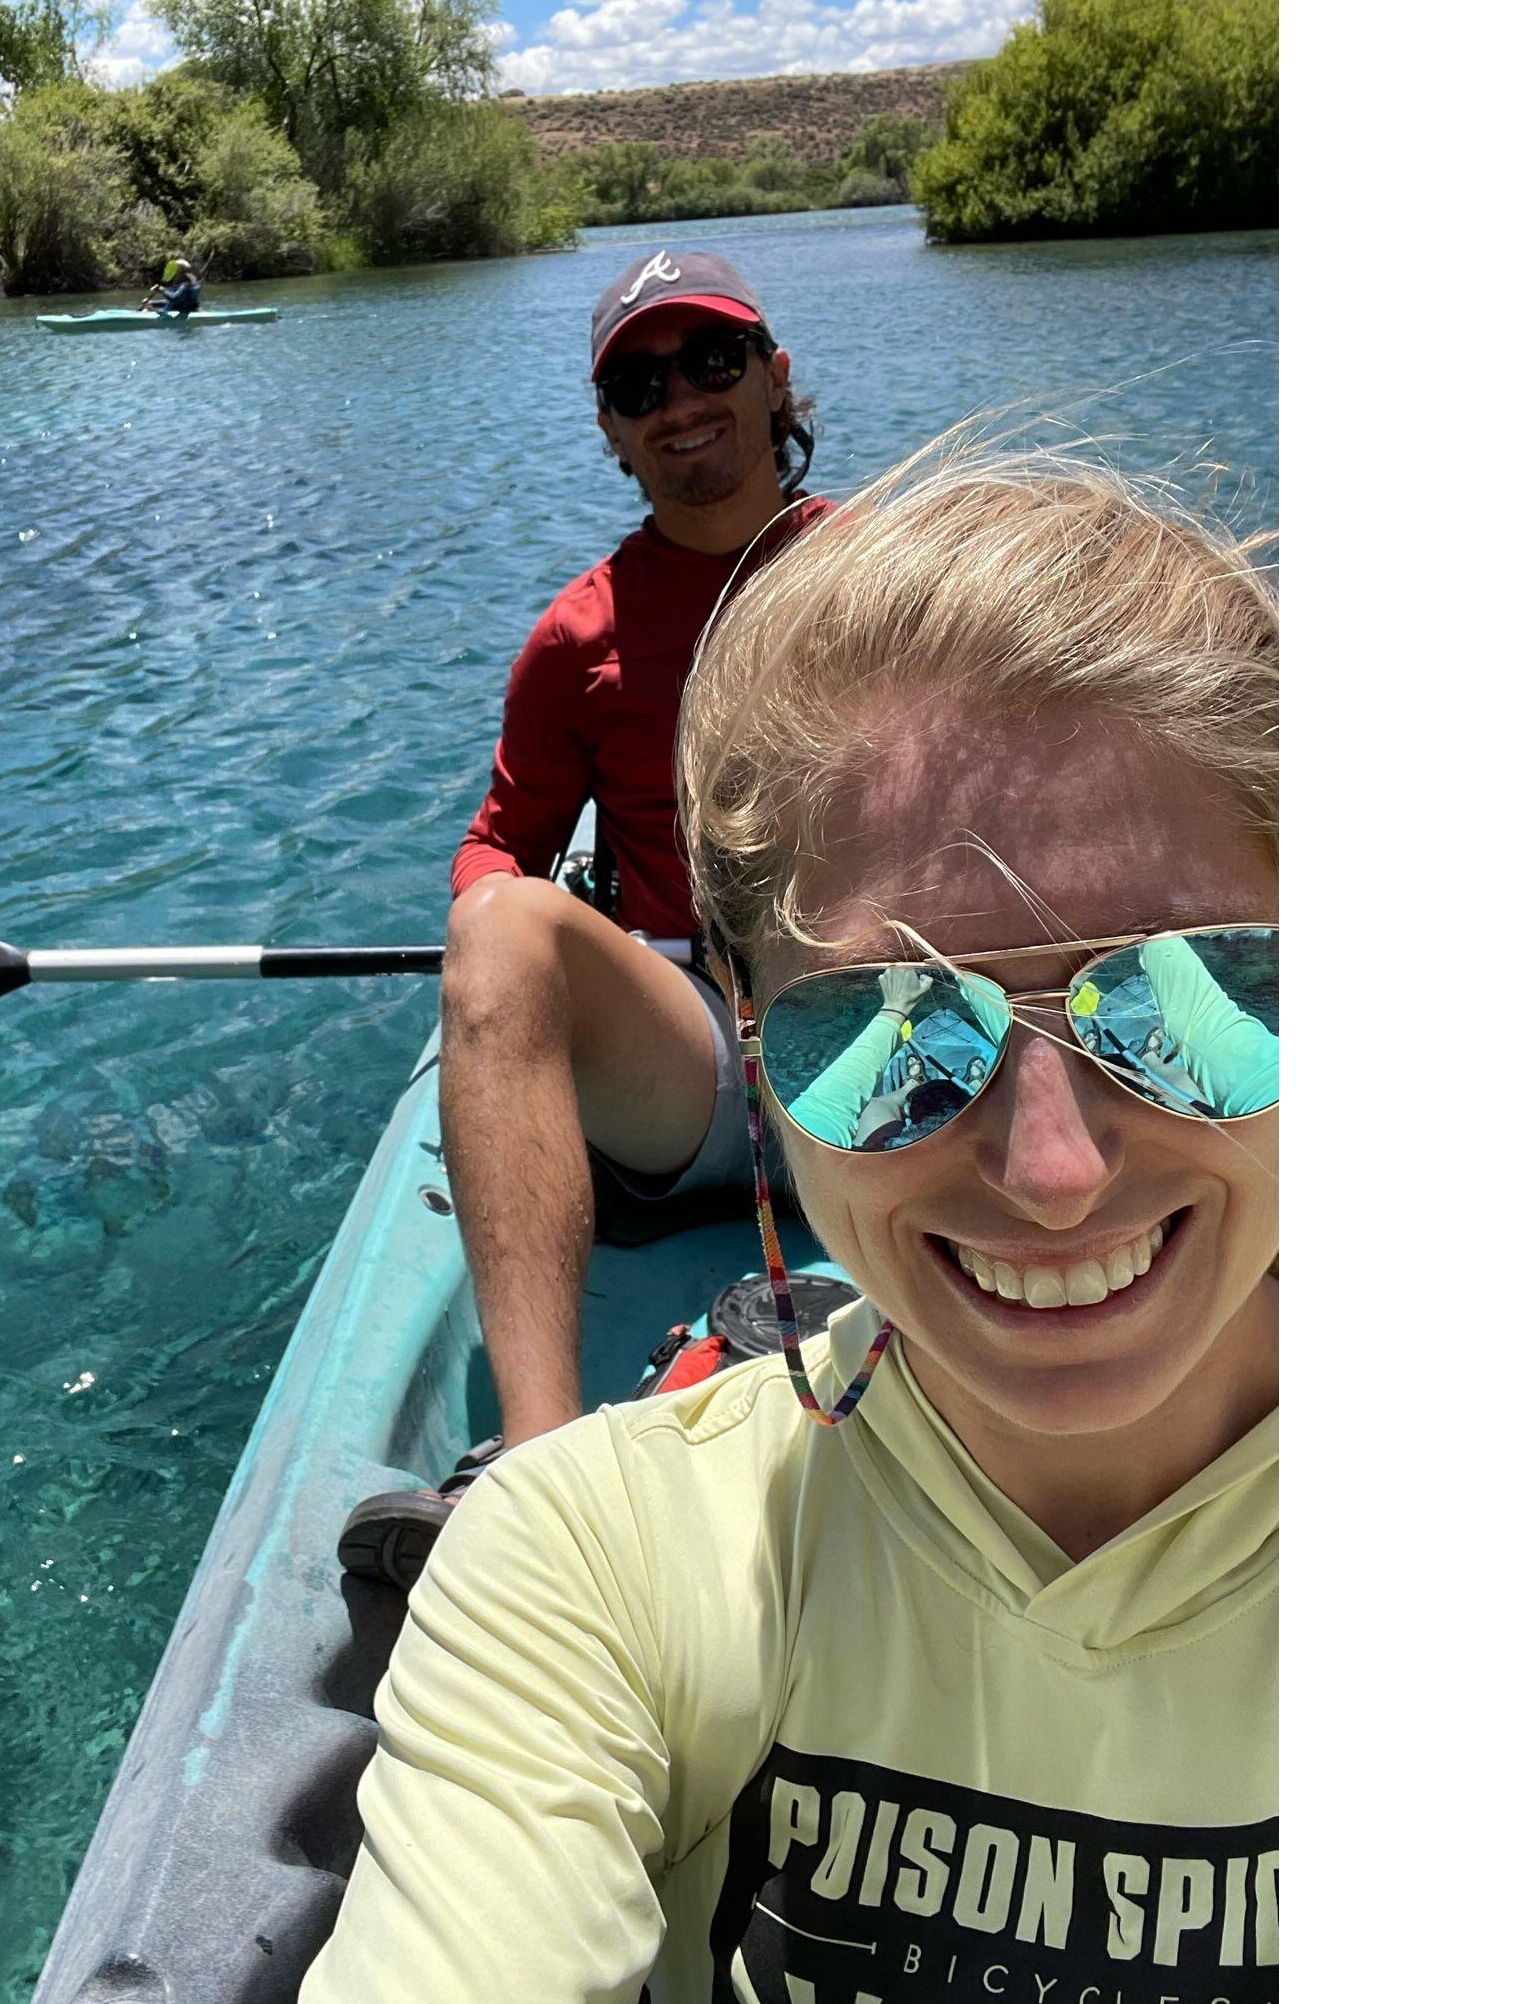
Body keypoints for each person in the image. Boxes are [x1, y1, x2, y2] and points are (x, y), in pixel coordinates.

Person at [303, 443, 1280, 1999]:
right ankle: (529, 1442)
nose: (1055, 1170)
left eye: (1185, 990)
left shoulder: (853, 564)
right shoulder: (591, 1570)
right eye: (893, 1015)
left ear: (772, 389)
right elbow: (500, 848)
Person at [338, 249, 824, 1587]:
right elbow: (498, 846)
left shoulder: (894, 574)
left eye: (711, 361)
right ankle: (540, 1477)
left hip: (898, 1043)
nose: (681, 401)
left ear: (775, 378)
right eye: (639, 384)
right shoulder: (579, 638)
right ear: (611, 429)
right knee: (502, 925)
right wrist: (503, 960)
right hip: (701, 1063)